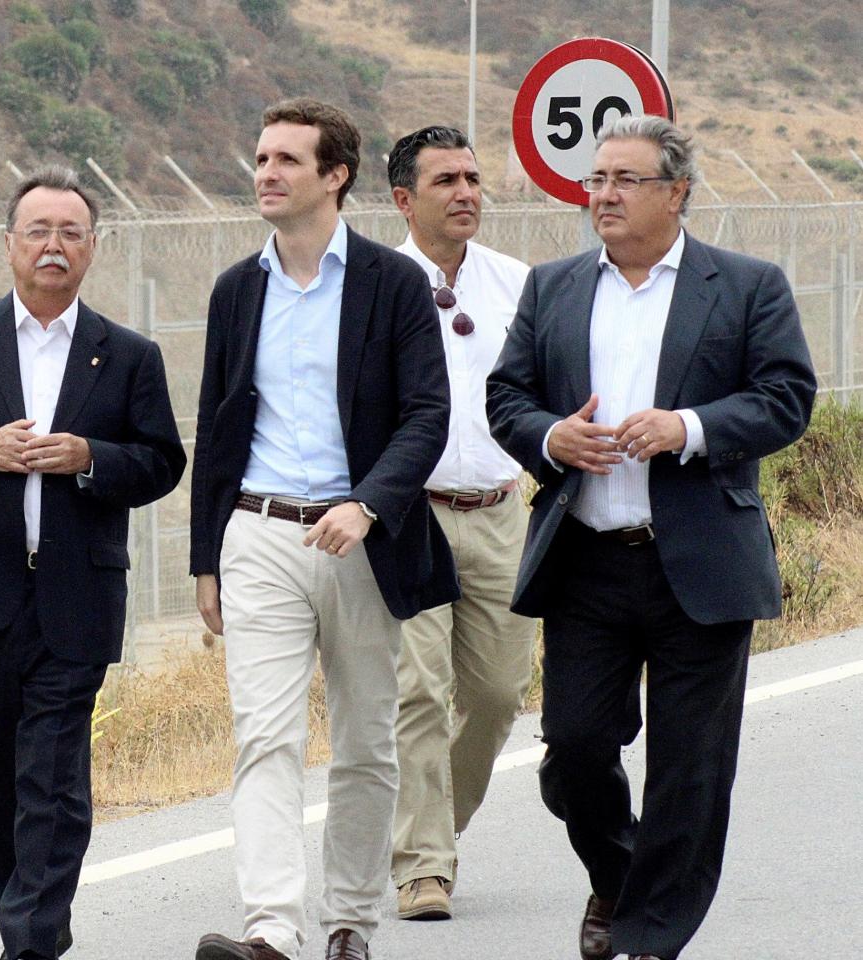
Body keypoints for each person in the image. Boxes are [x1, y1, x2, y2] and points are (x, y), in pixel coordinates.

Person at [486, 115, 815, 960]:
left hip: (700, 565)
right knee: (575, 753)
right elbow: (507, 398)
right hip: (587, 559)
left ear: (677, 193)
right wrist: (550, 438)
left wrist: (690, 427)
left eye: (624, 180)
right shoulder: (554, 286)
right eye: (596, 179)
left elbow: (785, 398)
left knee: (689, 771)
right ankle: (621, 877)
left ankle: (647, 939)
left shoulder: (745, 285)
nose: (602, 195)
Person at [0, 166, 186, 960]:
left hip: (76, 597)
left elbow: (162, 462)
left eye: (70, 233)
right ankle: (22, 928)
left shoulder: (126, 354)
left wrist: (90, 458)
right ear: (9, 245)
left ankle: (30, 943)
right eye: (39, 232)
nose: (53, 247)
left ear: (93, 248)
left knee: (52, 780)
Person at [189, 98, 457, 960]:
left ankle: (349, 924)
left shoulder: (393, 283)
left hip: (361, 539)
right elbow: (216, 426)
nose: (265, 174)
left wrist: (368, 502)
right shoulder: (238, 289)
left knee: (365, 742)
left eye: (285, 162)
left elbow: (427, 414)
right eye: (261, 159)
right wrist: (206, 559)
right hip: (260, 533)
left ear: (335, 176)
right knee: (263, 736)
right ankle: (270, 930)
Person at [383, 125, 536, 922]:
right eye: (446, 180)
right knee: (419, 690)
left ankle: (430, 830)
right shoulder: (369, 288)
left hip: (501, 511)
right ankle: (422, 867)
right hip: (409, 517)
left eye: (473, 177)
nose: (467, 192)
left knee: (499, 692)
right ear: (405, 199)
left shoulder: (518, 283)